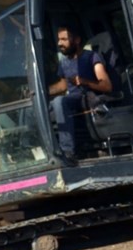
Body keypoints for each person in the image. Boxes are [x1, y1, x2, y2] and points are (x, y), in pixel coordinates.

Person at [48, 24, 113, 162]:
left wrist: (85, 81)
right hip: (71, 99)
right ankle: (30, 146)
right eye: (59, 40)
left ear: (76, 40)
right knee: (39, 105)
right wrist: (42, 92)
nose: (60, 43)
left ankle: (68, 151)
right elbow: (63, 85)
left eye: (64, 39)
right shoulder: (64, 62)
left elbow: (107, 86)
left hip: (86, 98)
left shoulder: (92, 57)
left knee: (59, 101)